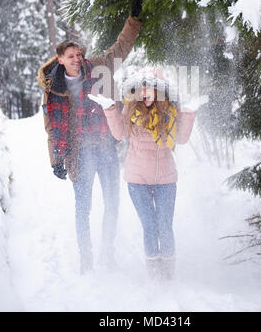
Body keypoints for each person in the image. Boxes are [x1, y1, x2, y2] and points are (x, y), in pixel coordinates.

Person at [37, 0, 143, 274]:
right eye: (70, 56)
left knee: (112, 203)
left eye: (78, 54)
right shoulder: (53, 90)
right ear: (60, 60)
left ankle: (107, 253)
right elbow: (52, 129)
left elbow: (121, 48)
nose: (76, 59)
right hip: (79, 154)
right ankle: (86, 258)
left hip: (106, 147)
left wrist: (134, 20)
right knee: (83, 207)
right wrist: (55, 160)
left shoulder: (97, 67)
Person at [89, 69, 208, 280]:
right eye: (139, 89)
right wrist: (109, 108)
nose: (144, 92)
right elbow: (118, 134)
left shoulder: (169, 112)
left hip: (166, 179)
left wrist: (189, 113)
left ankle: (168, 276)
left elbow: (180, 138)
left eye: (149, 88)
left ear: (158, 91)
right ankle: (155, 276)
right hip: (137, 180)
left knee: (165, 227)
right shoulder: (130, 111)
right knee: (150, 228)